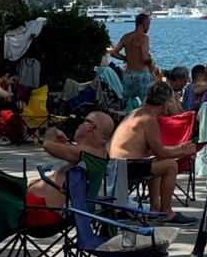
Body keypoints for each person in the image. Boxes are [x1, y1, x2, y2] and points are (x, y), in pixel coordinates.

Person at [108, 82, 198, 224]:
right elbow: (161, 152)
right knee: (170, 165)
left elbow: (153, 149)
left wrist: (180, 149)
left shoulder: (137, 113)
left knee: (157, 163)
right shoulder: (148, 118)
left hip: (116, 165)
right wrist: (182, 151)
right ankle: (167, 212)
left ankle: (155, 208)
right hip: (124, 168)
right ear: (165, 103)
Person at [28, 112, 115, 208]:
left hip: (41, 209)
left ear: (90, 126)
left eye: (83, 120)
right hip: (36, 203)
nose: (79, 125)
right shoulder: (97, 152)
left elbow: (48, 145)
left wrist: (52, 131)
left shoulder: (87, 152)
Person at [110, 13, 157, 102]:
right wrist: (151, 63)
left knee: (128, 104)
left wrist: (126, 58)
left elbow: (113, 53)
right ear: (144, 24)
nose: (149, 27)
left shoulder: (126, 37)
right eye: (149, 24)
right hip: (141, 76)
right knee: (143, 104)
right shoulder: (144, 38)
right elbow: (144, 57)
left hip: (128, 75)